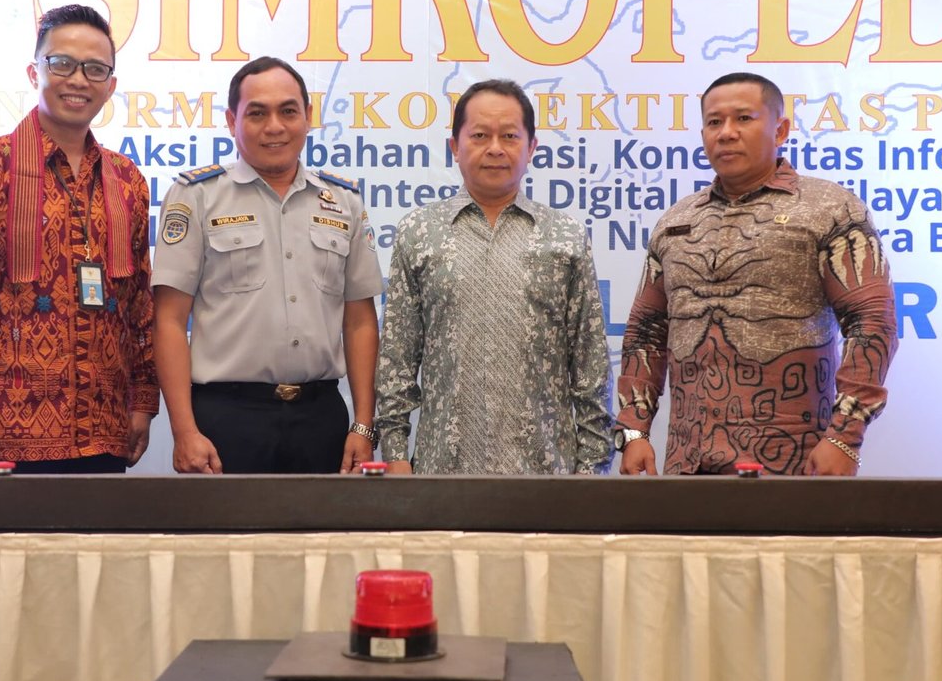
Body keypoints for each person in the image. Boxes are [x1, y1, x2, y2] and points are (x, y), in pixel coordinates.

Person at [616, 72, 897, 477]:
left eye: (744, 118)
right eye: (714, 122)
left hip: (794, 465)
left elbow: (872, 323)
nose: (726, 132)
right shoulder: (675, 221)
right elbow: (645, 333)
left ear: (780, 129)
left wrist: (844, 437)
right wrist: (634, 431)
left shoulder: (830, 208)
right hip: (688, 466)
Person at [0, 4, 158, 474]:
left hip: (104, 430)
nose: (79, 80)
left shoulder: (127, 179)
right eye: (62, 63)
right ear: (35, 72)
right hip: (4, 437)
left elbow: (138, 304)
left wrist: (142, 401)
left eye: (95, 69)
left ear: (110, 85)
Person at [152, 56, 383, 474]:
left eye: (288, 111)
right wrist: (184, 431)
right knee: (227, 522)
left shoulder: (343, 201)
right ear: (232, 121)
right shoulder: (197, 196)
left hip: (321, 418)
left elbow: (360, 321)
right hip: (226, 418)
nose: (274, 126)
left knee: (324, 522)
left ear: (308, 117)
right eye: (257, 113)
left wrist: (363, 425)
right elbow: (168, 320)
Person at [374, 78, 613, 475]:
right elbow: (397, 356)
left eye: (510, 136)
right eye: (480, 135)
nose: (496, 148)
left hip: (545, 473)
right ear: (455, 146)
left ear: (531, 148)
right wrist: (396, 454)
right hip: (442, 471)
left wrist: (591, 470)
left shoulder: (565, 235)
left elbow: (590, 364)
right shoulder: (418, 231)